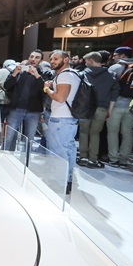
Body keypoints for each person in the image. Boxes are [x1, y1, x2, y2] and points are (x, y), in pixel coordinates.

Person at [43, 50, 80, 194]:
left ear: (65, 60)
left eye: (56, 59)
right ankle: (67, 180)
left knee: (59, 152)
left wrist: (47, 88)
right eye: (51, 59)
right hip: (68, 118)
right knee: (68, 150)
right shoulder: (73, 74)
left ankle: (60, 183)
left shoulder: (65, 75)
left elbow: (60, 98)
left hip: (61, 119)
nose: (52, 61)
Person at [107, 46, 133, 168]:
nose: (113, 57)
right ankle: (124, 160)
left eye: (115, 55)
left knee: (113, 131)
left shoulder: (115, 68)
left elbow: (109, 87)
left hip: (116, 105)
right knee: (127, 133)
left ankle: (113, 158)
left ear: (123, 56)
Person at [76, 52, 119, 169]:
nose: (85, 63)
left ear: (90, 61)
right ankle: (93, 160)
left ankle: (83, 157)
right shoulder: (111, 75)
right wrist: (110, 110)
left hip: (85, 107)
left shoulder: (83, 74)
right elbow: (114, 94)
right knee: (95, 134)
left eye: (86, 61)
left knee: (83, 132)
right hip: (102, 108)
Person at [3, 50, 49, 149]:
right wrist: (14, 73)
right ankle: (4, 155)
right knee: (9, 136)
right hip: (16, 109)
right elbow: (6, 86)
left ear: (41, 61)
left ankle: (26, 158)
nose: (33, 59)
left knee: (29, 139)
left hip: (34, 111)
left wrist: (37, 75)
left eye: (37, 57)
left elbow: (44, 91)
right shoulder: (19, 71)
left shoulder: (43, 74)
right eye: (31, 56)